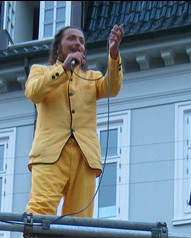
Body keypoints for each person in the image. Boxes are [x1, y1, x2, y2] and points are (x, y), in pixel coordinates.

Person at [24, 23, 125, 218]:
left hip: (85, 155)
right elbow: (33, 93)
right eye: (71, 39)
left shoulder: (92, 78)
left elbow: (112, 87)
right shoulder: (40, 71)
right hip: (50, 153)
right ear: (58, 46)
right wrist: (64, 69)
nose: (78, 43)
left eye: (81, 41)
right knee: (40, 209)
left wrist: (113, 54)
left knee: (80, 216)